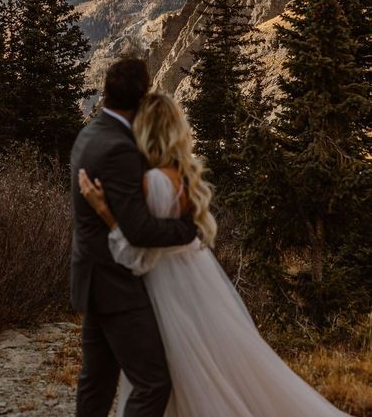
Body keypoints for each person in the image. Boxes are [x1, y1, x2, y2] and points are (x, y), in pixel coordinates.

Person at [79, 91, 351, 417]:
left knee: (176, 380)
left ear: (145, 132)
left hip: (167, 290)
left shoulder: (152, 182)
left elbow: (139, 255)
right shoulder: (183, 179)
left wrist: (105, 213)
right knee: (211, 372)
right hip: (195, 284)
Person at [70, 59, 197, 417]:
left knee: (96, 382)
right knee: (153, 382)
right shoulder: (120, 148)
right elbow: (138, 229)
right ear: (140, 99)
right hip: (116, 284)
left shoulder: (90, 133)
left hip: (91, 275)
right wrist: (188, 229)